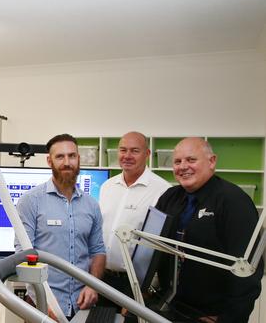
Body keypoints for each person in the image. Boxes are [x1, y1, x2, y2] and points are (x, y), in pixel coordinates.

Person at [155, 137, 262, 322]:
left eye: (191, 160)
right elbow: (153, 249)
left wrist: (229, 319)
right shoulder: (170, 197)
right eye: (177, 161)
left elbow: (249, 271)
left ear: (212, 161)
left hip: (210, 314)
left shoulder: (234, 202)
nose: (183, 166)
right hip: (170, 307)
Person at [15, 134, 106, 320]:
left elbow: (98, 251)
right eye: (60, 157)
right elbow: (23, 254)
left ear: (78, 159)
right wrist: (43, 300)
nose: (67, 162)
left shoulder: (91, 205)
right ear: (49, 161)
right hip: (43, 303)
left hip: (83, 304)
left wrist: (92, 285)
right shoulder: (31, 201)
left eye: (72, 156)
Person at [98, 132, 170, 306]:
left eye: (134, 151)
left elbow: (162, 246)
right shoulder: (107, 186)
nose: (127, 156)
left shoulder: (163, 191)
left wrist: (146, 290)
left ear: (147, 154)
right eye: (123, 150)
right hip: (101, 277)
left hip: (134, 284)